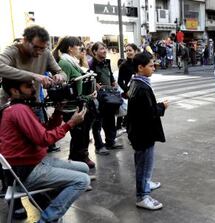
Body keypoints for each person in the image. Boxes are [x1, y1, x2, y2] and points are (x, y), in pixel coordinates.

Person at [0, 78, 90, 223]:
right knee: (82, 180)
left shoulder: (19, 108)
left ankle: (44, 201)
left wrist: (58, 112)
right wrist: (70, 124)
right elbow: (44, 139)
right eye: (28, 86)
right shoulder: (18, 110)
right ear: (15, 91)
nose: (34, 89)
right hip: (26, 172)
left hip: (33, 163)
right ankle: (47, 219)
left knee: (84, 168)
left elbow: (43, 131)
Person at [0, 25, 67, 219]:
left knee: (37, 145)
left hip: (34, 103)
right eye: (36, 48)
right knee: (11, 152)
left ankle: (38, 185)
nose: (40, 52)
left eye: (43, 48)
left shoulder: (45, 52)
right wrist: (34, 76)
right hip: (10, 105)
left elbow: (60, 71)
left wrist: (58, 77)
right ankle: (13, 197)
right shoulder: (11, 51)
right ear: (25, 40)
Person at [127, 53, 168, 210]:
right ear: (140, 67)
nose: (153, 68)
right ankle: (142, 196)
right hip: (143, 133)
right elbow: (148, 113)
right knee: (144, 163)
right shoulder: (141, 87)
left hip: (140, 132)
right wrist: (162, 106)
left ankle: (146, 183)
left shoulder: (137, 82)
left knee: (145, 163)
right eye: (150, 65)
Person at [52, 36, 97, 168]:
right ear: (70, 48)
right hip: (72, 107)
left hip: (80, 104)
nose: (81, 49)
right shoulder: (65, 63)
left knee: (81, 135)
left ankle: (78, 160)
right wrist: (88, 97)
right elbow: (65, 89)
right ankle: (78, 161)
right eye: (78, 47)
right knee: (79, 136)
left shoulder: (72, 61)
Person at [89, 42, 123, 155]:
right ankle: (99, 146)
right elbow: (89, 78)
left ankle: (110, 142)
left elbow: (110, 74)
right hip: (98, 97)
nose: (105, 50)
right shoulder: (91, 64)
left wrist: (113, 81)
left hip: (109, 95)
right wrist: (95, 85)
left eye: (105, 48)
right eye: (102, 49)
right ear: (94, 51)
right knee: (98, 121)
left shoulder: (106, 62)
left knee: (110, 119)